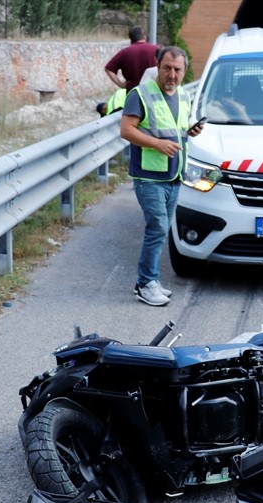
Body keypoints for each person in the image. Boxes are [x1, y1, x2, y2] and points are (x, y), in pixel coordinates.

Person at [120, 46, 202, 306]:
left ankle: (150, 280)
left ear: (184, 71)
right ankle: (145, 283)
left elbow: (177, 131)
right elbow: (126, 130)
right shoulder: (140, 94)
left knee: (162, 228)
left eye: (177, 69)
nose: (172, 74)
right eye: (167, 68)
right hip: (149, 176)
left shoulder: (184, 96)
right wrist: (156, 144)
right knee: (156, 227)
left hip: (173, 174)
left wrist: (191, 131)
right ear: (157, 66)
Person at [105, 26, 157, 93]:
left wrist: (121, 84)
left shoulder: (124, 53)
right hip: (154, 92)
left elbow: (108, 68)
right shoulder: (157, 50)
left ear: (131, 39)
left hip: (132, 93)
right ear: (145, 37)